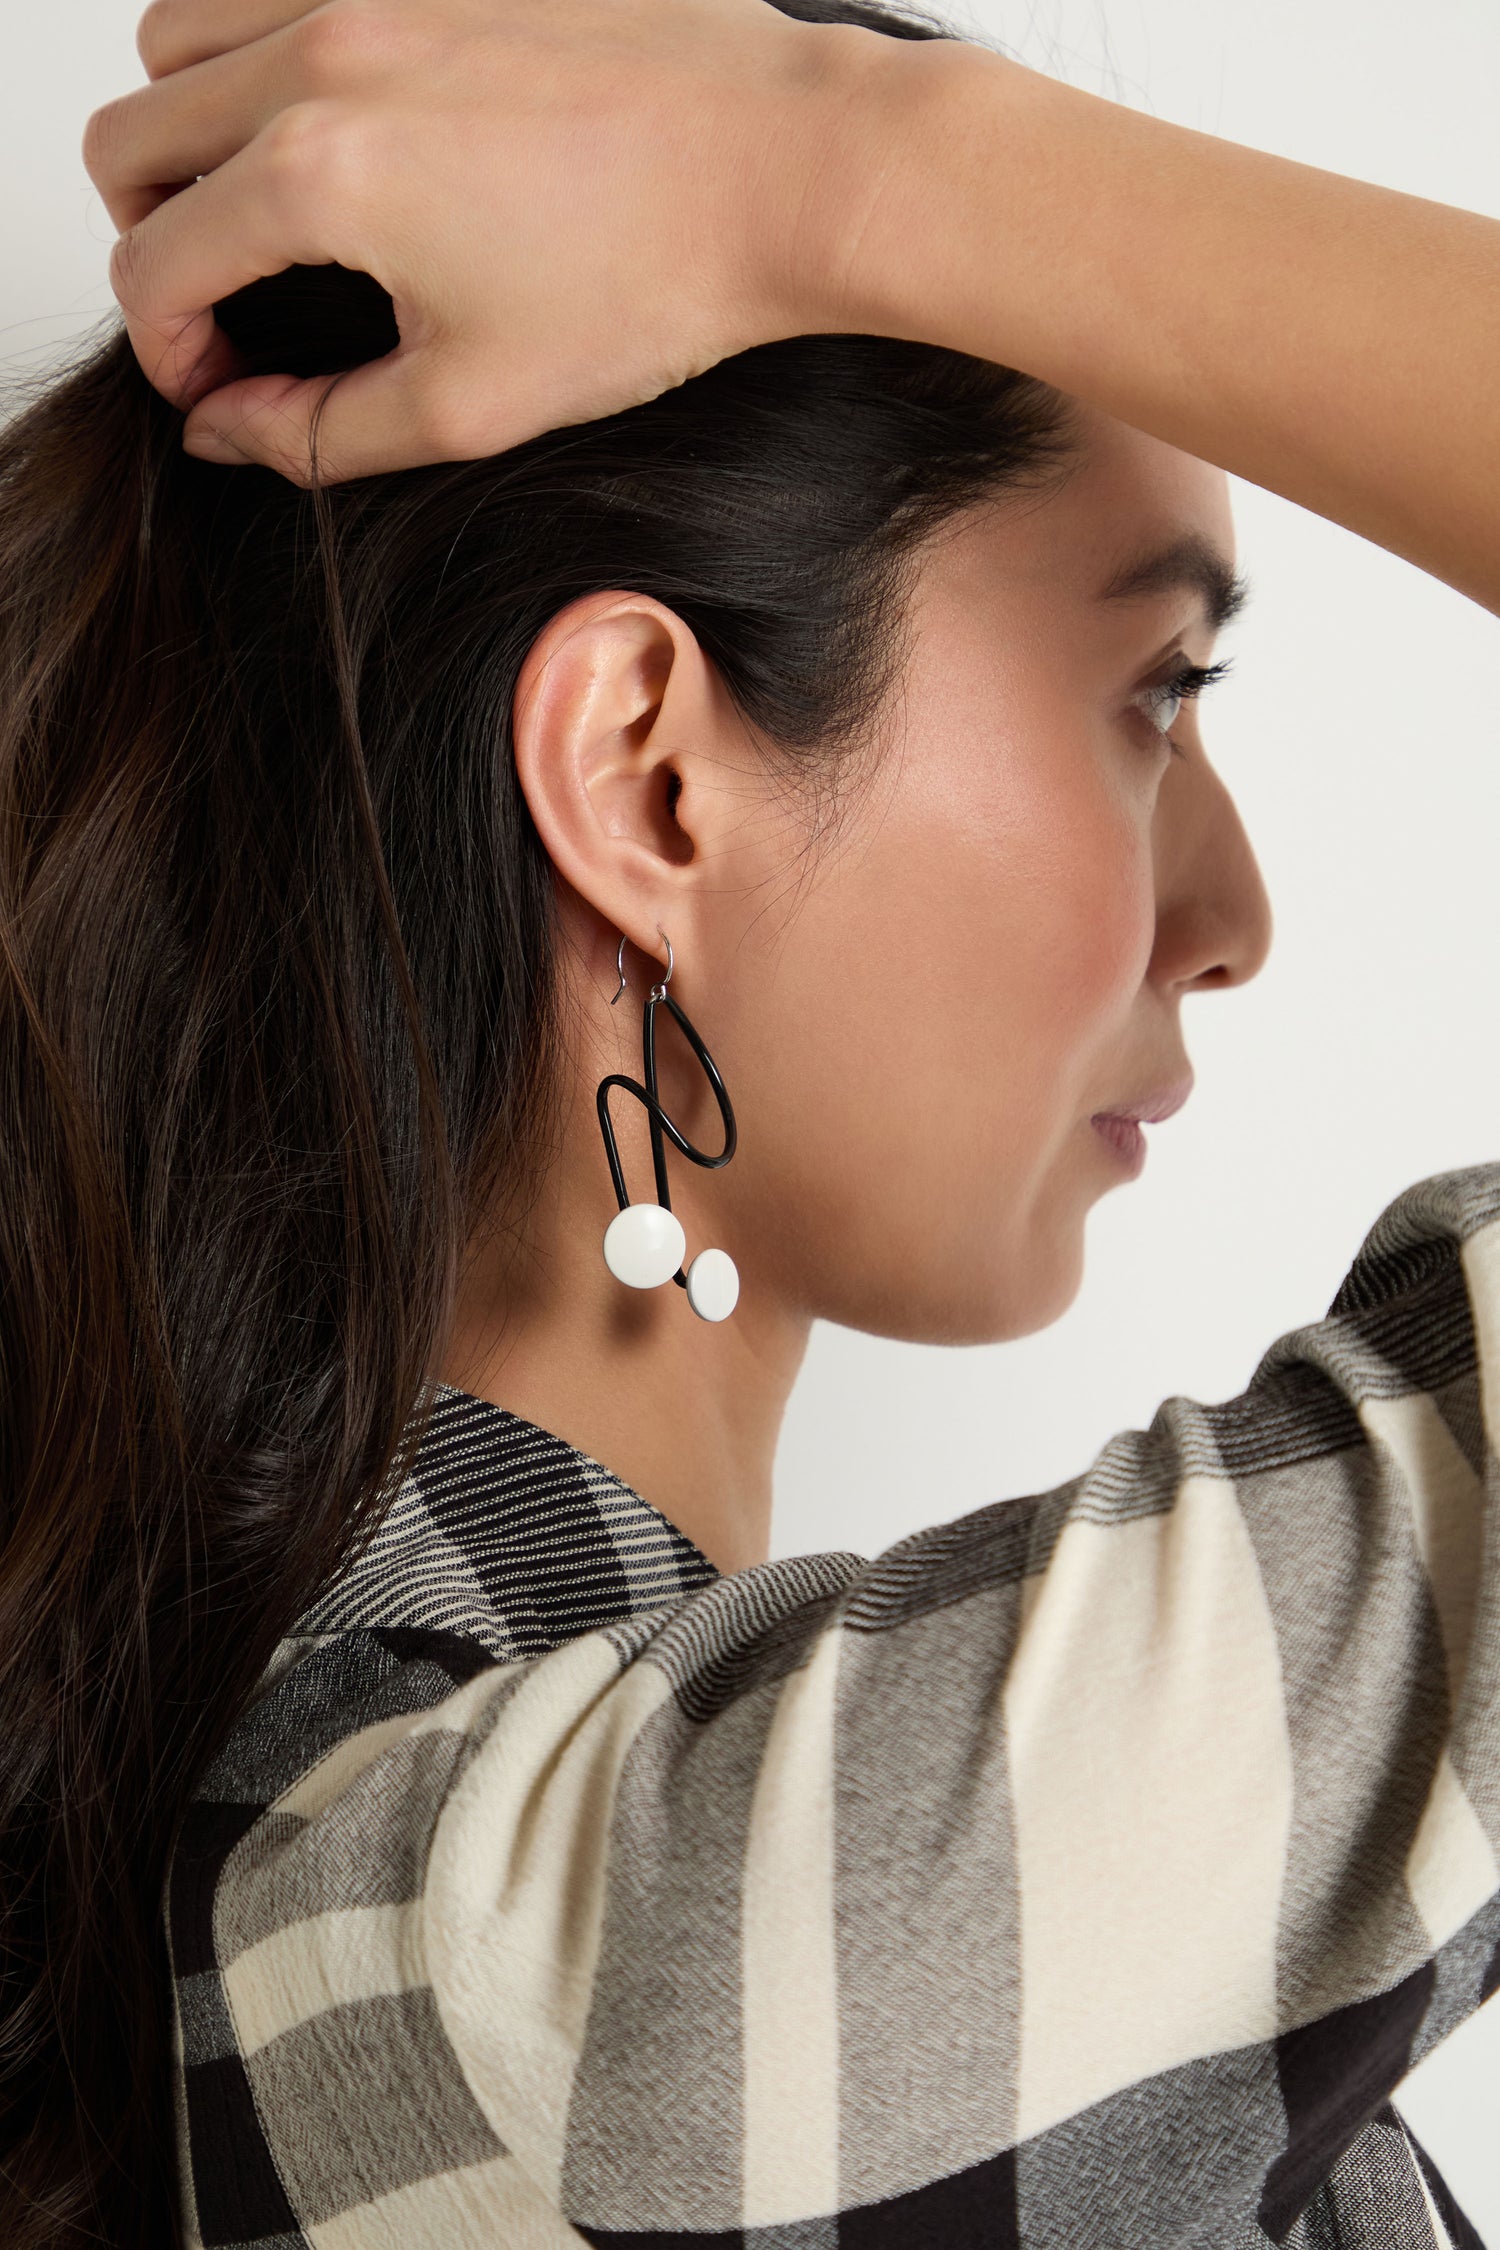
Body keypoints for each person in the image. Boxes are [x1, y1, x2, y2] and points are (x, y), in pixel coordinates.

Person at [0, 0, 1494, 2243]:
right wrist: (857, 168)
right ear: (649, 777)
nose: (1238, 913)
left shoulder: (375, 1855)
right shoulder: (580, 1941)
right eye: (1151, 696)